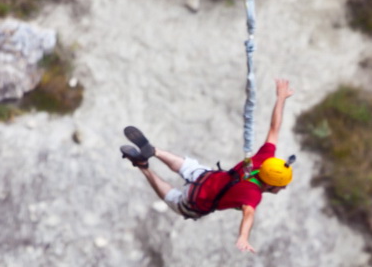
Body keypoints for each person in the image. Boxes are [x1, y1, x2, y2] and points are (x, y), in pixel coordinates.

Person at [120, 78, 295, 254]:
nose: (285, 187)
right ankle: (143, 166)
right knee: (174, 199)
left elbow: (274, 128)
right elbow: (248, 214)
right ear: (270, 183)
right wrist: (243, 236)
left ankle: (155, 151)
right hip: (195, 201)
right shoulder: (252, 194)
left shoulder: (264, 160)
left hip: (205, 177)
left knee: (186, 166)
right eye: (282, 185)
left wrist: (280, 98)